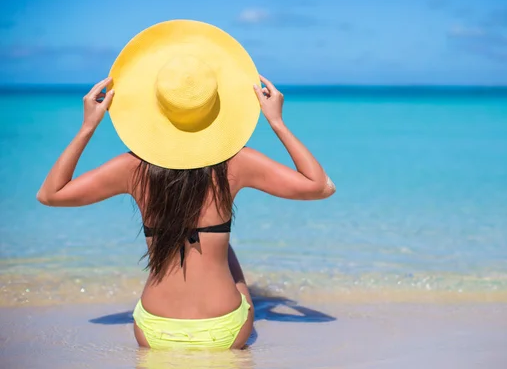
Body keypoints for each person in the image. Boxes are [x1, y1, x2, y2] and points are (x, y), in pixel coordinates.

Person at [36, 20, 335, 350]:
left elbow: (50, 195)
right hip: (224, 333)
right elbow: (320, 186)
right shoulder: (238, 163)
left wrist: (87, 128)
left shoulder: (131, 168)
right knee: (226, 254)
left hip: (153, 331)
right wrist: (276, 122)